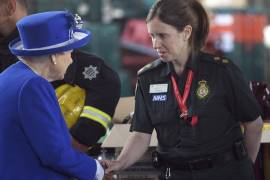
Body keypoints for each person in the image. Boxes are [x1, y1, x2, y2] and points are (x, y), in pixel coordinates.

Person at [104, 0, 264, 179]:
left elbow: (253, 125)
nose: (156, 44)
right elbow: (141, 134)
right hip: (175, 174)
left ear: (186, 32)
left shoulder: (222, 72)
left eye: (163, 35)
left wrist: (244, 169)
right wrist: (119, 163)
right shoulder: (148, 78)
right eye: (152, 36)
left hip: (224, 173)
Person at [0, 0, 121, 152]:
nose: (70, 57)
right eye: (68, 49)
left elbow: (105, 83)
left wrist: (75, 145)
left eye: (69, 50)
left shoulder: (92, 71)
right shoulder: (27, 79)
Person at [0, 11, 104, 179]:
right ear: (54, 56)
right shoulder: (33, 86)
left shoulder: (7, 77)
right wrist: (96, 170)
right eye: (70, 52)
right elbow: (54, 153)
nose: (71, 60)